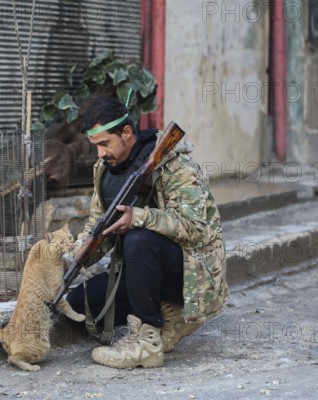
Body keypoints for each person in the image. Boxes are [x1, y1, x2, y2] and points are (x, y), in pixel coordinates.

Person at [65, 94, 228, 369]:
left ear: (126, 132)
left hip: (188, 271)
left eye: (104, 143)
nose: (100, 154)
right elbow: (99, 222)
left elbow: (196, 226)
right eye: (96, 146)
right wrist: (83, 248)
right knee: (78, 304)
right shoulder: (105, 170)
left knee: (138, 239)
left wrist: (138, 217)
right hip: (144, 270)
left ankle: (147, 341)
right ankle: (165, 313)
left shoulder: (174, 163)